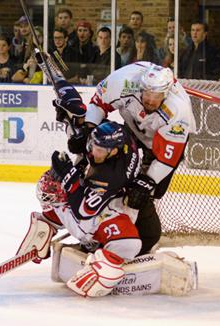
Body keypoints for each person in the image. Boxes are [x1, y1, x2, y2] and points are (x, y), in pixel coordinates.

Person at [67, 62, 196, 255]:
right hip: (133, 130)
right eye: (147, 94)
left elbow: (167, 158)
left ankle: (134, 240)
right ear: (141, 87)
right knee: (115, 172)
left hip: (161, 143)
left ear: (166, 93)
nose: (150, 101)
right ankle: (97, 227)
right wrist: (89, 129)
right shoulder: (122, 81)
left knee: (144, 193)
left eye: (156, 96)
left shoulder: (178, 111)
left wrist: (147, 182)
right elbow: (98, 103)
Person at [17, 121, 143, 297]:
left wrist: (69, 176)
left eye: (99, 150)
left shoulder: (109, 177)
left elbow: (83, 212)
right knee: (128, 242)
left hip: (111, 200)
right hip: (117, 197)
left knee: (122, 241)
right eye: (93, 146)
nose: (93, 152)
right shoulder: (121, 138)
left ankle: (52, 217)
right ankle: (50, 220)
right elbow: (92, 130)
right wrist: (74, 125)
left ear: (113, 151)